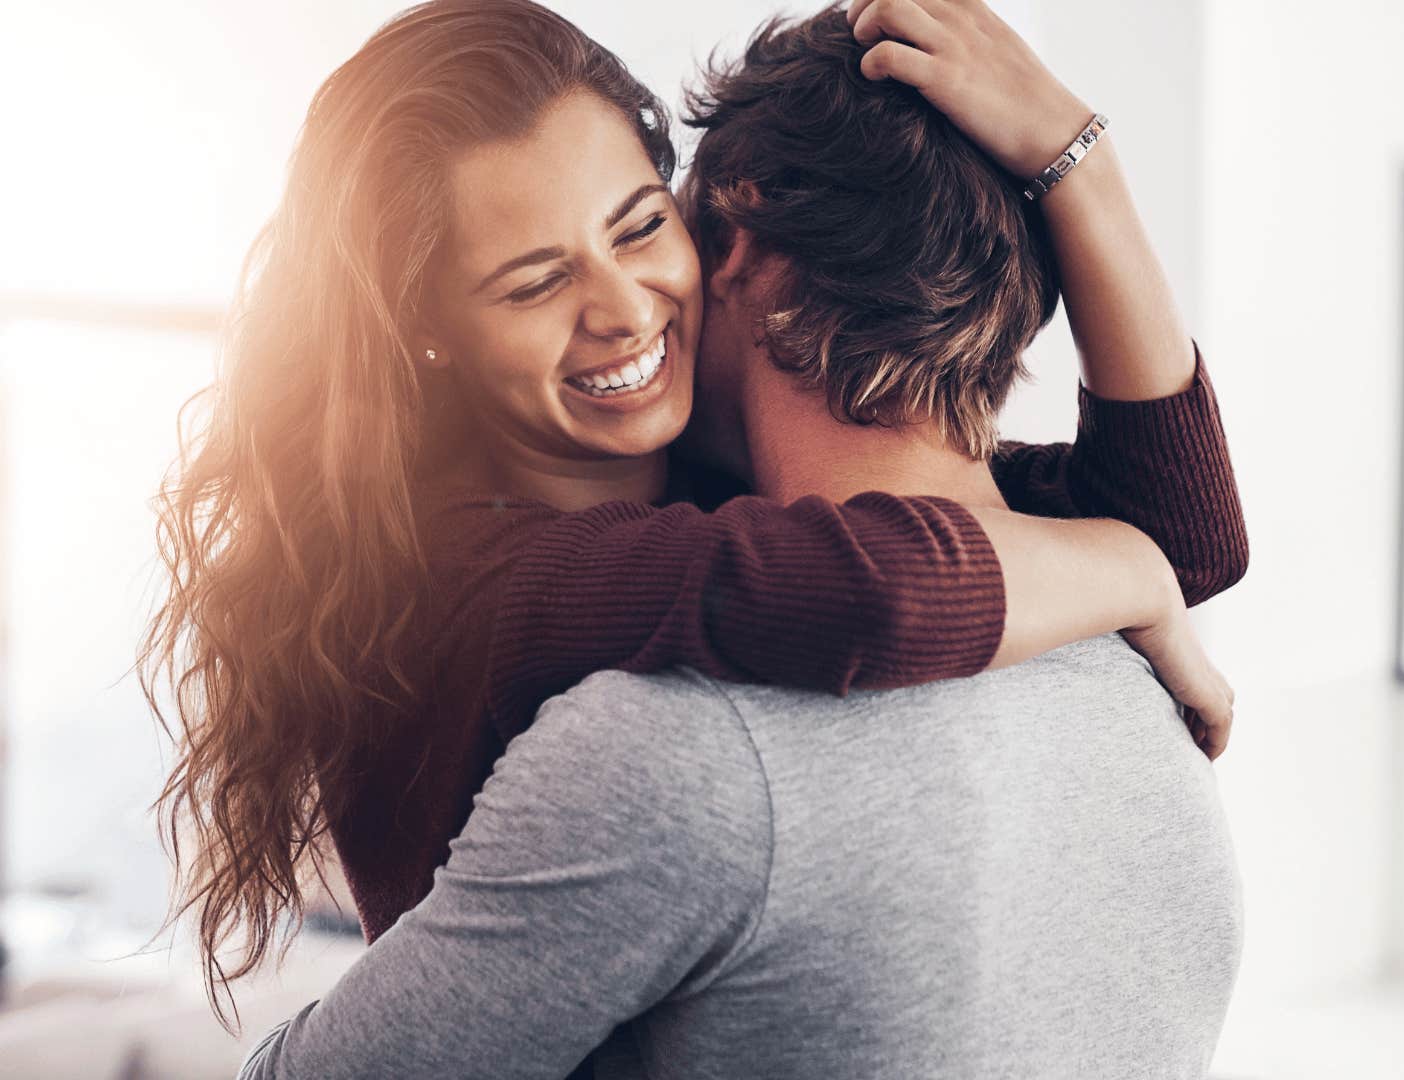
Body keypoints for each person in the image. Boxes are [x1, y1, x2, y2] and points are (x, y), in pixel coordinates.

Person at [143, 0, 1245, 1028]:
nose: (623, 312)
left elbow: (1186, 531)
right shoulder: (466, 577)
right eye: (533, 284)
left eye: (637, 228)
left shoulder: (712, 487)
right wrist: (1130, 575)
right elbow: (888, 588)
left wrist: (1079, 167)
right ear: (424, 330)